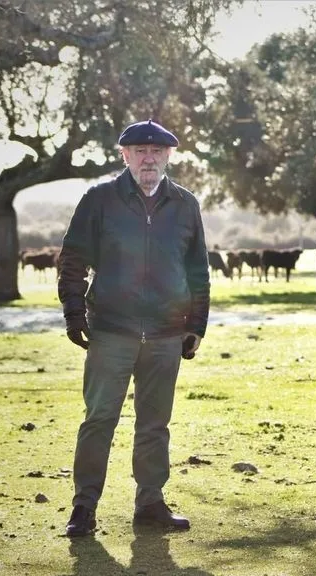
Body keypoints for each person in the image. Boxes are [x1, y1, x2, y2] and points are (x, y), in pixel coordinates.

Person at [57, 119, 210, 537]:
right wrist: (74, 314)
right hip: (110, 332)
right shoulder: (98, 199)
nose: (148, 157)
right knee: (99, 419)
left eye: (156, 151)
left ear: (168, 156)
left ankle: (150, 504)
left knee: (155, 424)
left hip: (165, 334)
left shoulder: (184, 204)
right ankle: (84, 507)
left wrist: (197, 323)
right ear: (123, 154)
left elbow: (198, 269)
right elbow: (73, 260)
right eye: (139, 150)